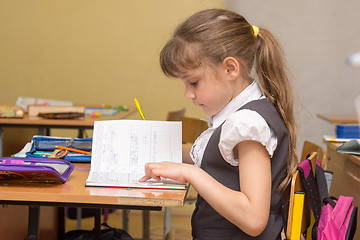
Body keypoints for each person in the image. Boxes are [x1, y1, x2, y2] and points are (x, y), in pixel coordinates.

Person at [139, 8, 298, 240]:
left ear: (230, 69)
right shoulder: (236, 114)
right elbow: (222, 165)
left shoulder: (247, 124)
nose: (187, 94)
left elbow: (254, 219)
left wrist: (190, 173)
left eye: (193, 82)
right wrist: (170, 153)